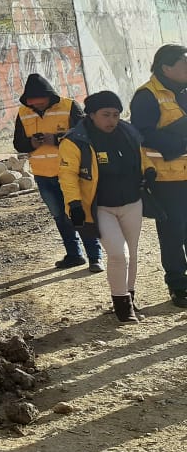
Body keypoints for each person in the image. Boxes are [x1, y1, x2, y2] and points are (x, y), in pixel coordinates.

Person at [59, 91, 153, 323]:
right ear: (91, 114)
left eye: (116, 114)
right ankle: (122, 306)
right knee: (118, 254)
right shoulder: (75, 140)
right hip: (100, 207)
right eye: (106, 114)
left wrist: (149, 171)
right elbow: (68, 175)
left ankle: (130, 297)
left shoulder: (129, 133)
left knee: (132, 253)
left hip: (132, 203)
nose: (112, 120)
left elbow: (142, 156)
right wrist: (74, 204)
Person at [14, 73, 104, 272]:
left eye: (41, 102)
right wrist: (31, 143)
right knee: (60, 217)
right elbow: (18, 143)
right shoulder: (23, 113)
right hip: (43, 175)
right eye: (33, 103)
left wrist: (55, 139)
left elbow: (86, 135)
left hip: (71, 173)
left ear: (49, 97)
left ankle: (95, 257)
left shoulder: (69, 106)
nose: (37, 106)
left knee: (80, 214)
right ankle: (74, 255)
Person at [130, 44, 187, 307]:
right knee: (173, 233)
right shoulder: (147, 96)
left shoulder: (183, 91)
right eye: (184, 63)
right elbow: (142, 134)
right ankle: (178, 285)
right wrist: (179, 143)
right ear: (166, 68)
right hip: (168, 180)